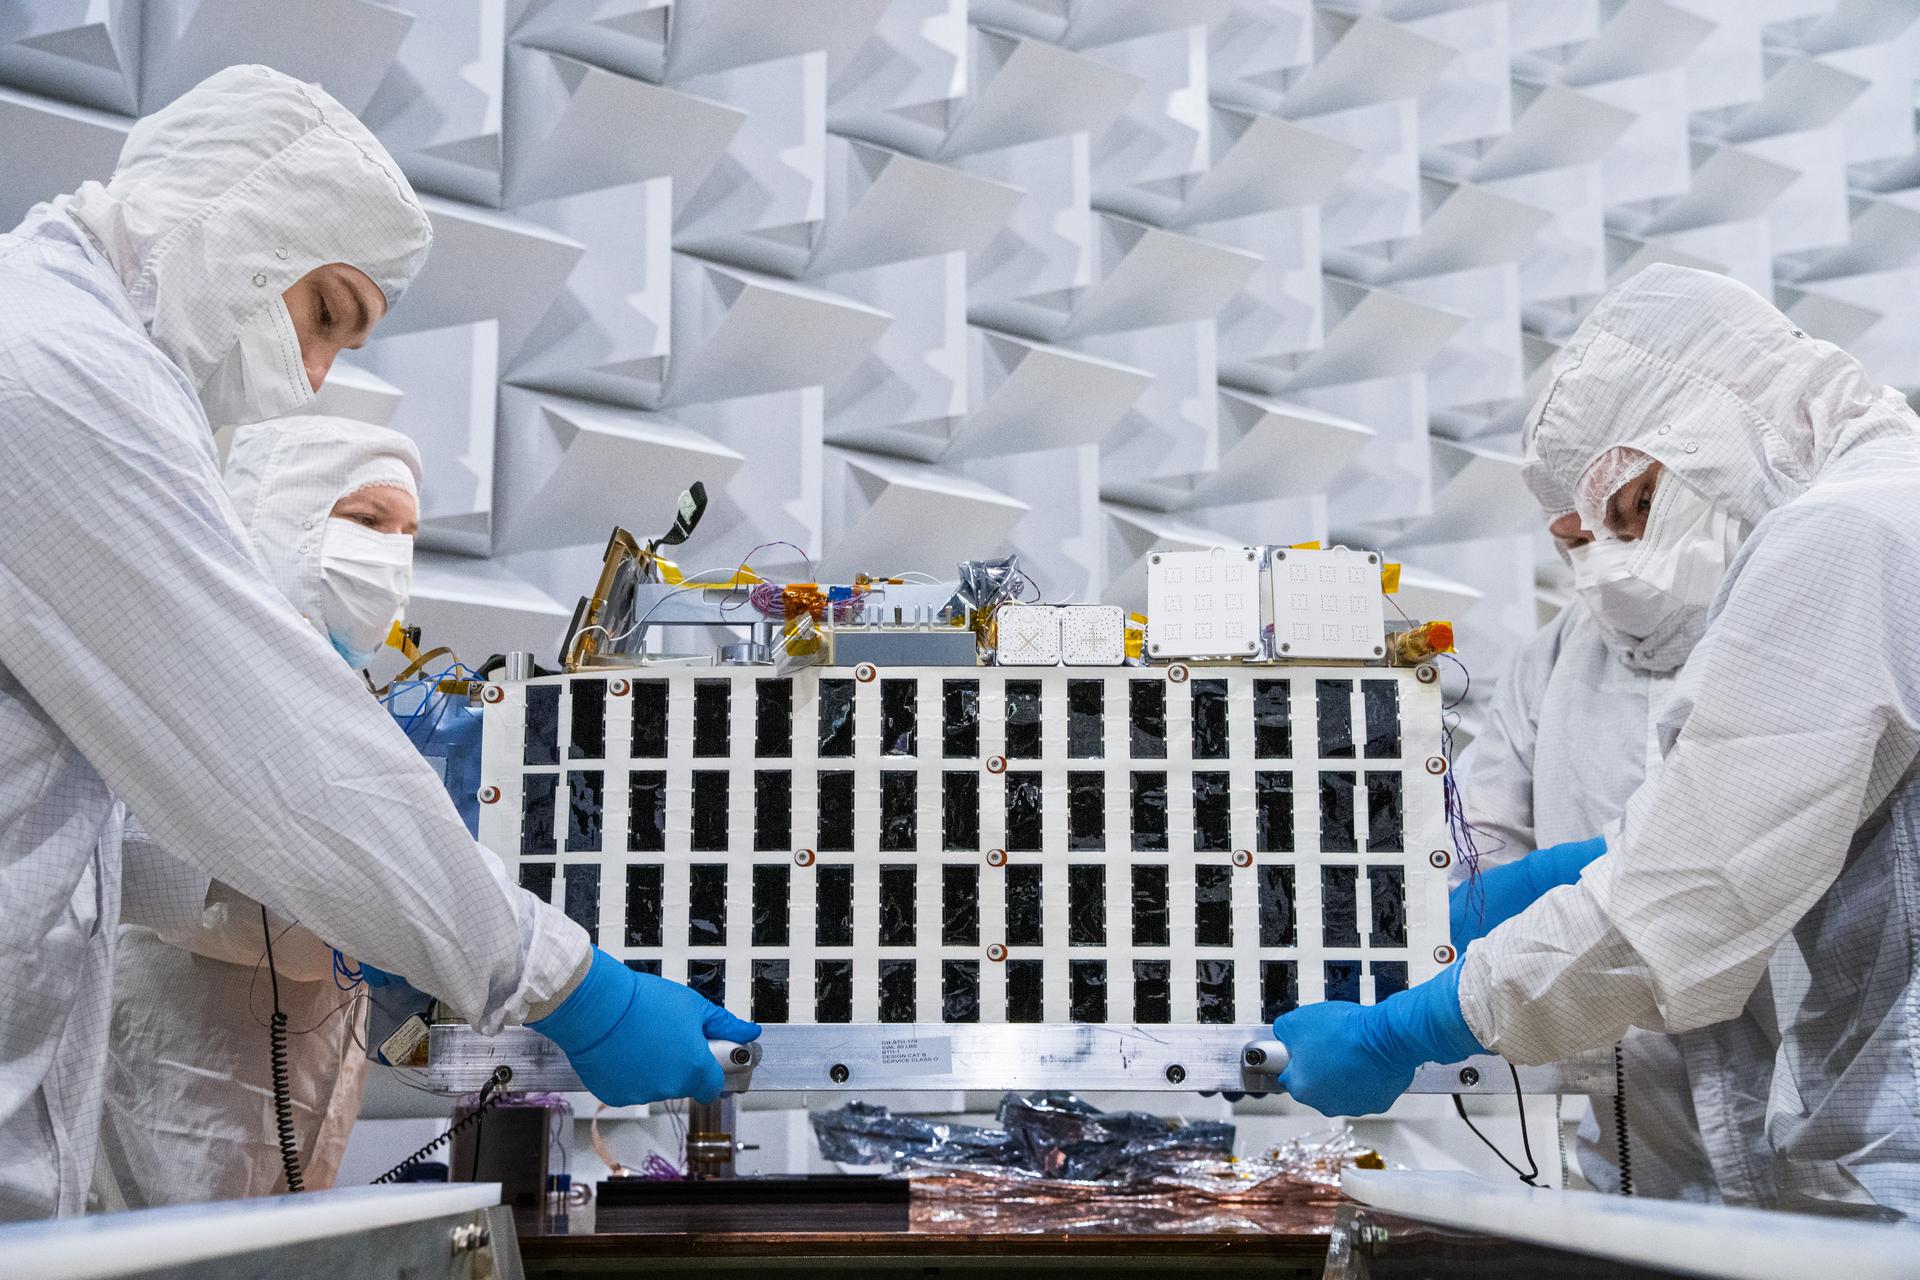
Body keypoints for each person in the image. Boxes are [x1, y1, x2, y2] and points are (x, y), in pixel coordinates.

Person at [0, 65, 753, 1220]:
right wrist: (568, 982)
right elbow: (283, 759)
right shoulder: (48, 368)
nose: (310, 379)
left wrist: (326, 907)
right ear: (237, 219)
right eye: (323, 314)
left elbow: (70, 832)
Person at [1273, 262, 1920, 1220]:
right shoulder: (1880, 507)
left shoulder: (1848, 531)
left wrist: (1406, 1029)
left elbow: (1690, 894)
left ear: (1712, 418)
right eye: (1585, 533)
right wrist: (1520, 890)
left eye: (1636, 508)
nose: (1618, 552)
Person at [96, 416, 430, 1205]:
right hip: (177, 1072)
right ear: (281, 519)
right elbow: (175, 885)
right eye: (367, 522)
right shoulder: (184, 670)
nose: (391, 553)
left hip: (296, 1088)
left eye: (409, 532)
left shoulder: (350, 698)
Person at [1454, 485, 1721, 1200]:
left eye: (1617, 528)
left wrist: (1596, 873)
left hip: (1833, 1119)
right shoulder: (1551, 659)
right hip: (1632, 1123)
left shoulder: (1774, 627)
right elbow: (1484, 838)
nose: (1596, 563)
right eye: (1571, 546)